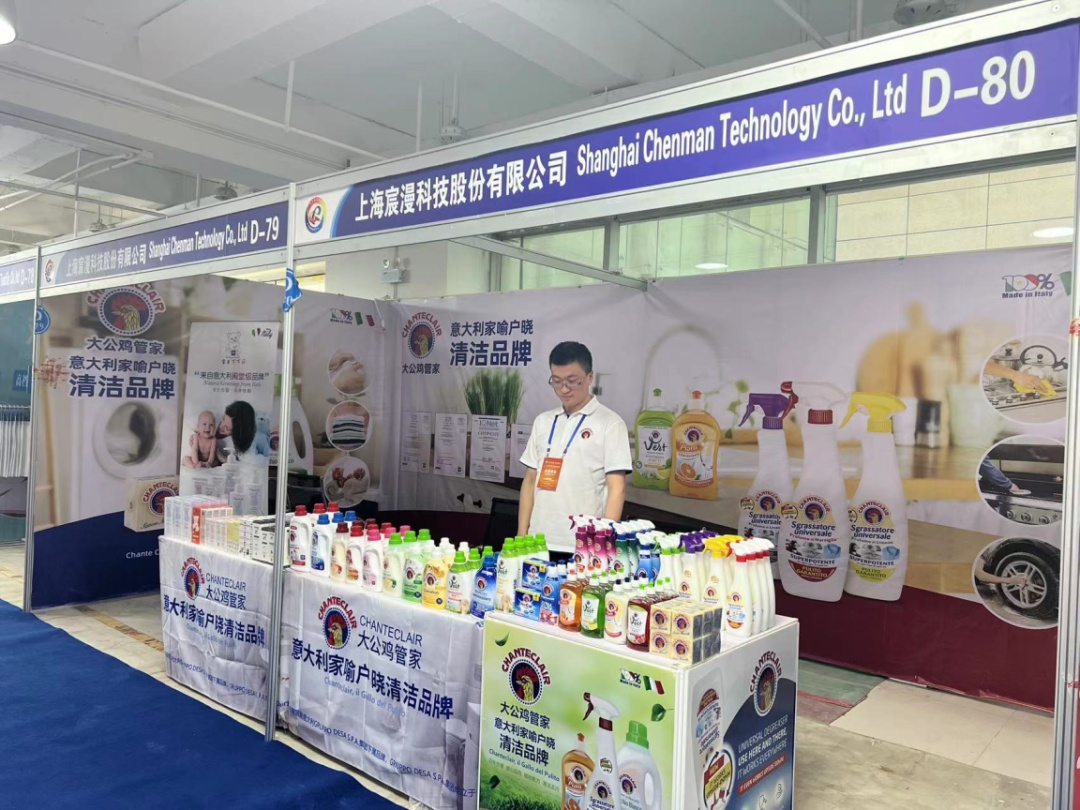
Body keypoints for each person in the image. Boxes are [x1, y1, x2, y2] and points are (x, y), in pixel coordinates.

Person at [518, 342, 632, 551]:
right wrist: (521, 534)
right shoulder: (543, 421)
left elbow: (617, 489)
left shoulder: (610, 424)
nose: (564, 389)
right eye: (556, 381)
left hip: (583, 546)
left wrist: (603, 544)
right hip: (537, 542)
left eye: (572, 381)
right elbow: (529, 481)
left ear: (589, 378)